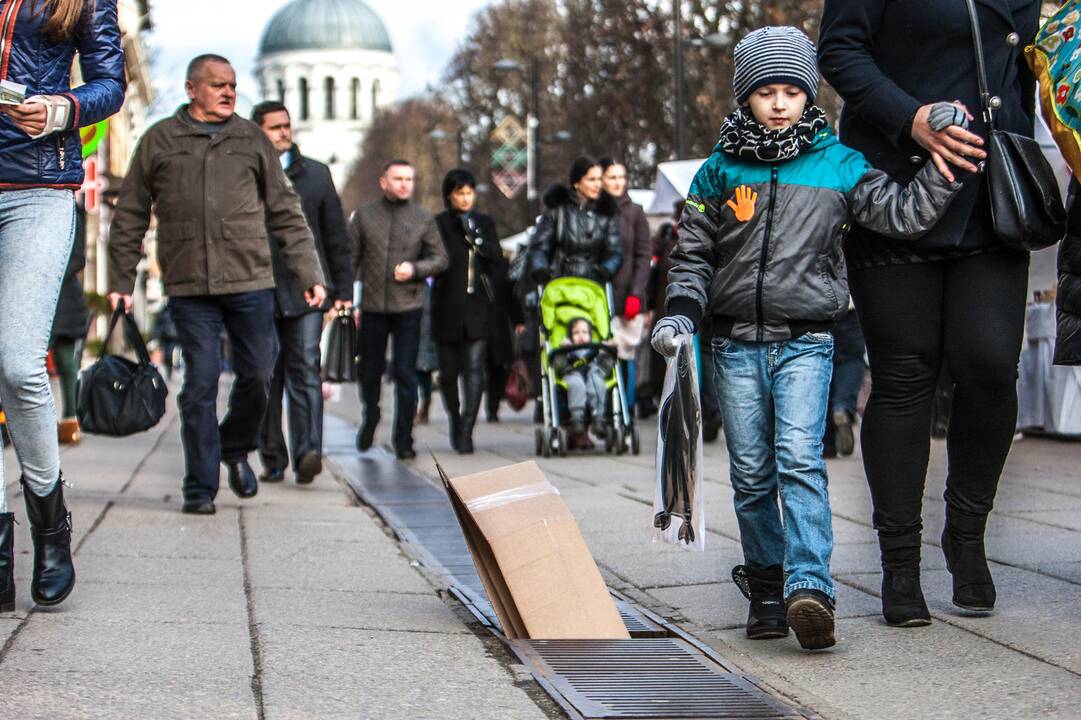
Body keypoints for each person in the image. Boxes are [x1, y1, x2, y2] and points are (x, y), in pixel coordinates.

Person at [652, 26, 963, 650]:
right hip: (733, 344)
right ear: (745, 98)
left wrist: (941, 169)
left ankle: (810, 587)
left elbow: (898, 214)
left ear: (806, 95)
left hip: (807, 342)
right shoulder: (717, 172)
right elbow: (693, 256)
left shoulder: (839, 163)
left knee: (799, 461)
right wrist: (681, 313)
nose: (777, 102)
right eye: (764, 90)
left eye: (790, 89)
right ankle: (767, 586)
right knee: (751, 472)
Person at [820, 0, 1040, 625]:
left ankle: (967, 535)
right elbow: (840, 49)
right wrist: (909, 118)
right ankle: (900, 565)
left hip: (993, 191)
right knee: (905, 375)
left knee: (990, 366)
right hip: (896, 190)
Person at [108, 55, 326, 515]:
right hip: (189, 285)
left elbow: (286, 210)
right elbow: (129, 212)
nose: (228, 92)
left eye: (232, 85)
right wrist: (121, 280)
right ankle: (199, 486)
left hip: (250, 279)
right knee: (201, 383)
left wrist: (308, 272)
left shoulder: (250, 139)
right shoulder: (159, 141)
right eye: (217, 85)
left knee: (260, 375)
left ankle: (233, 446)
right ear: (192, 89)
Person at [0, 0, 126, 610]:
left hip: (36, 184)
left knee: (17, 362)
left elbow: (110, 84)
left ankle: (49, 521)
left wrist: (62, 108)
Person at [251, 101, 352, 486]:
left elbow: (335, 235)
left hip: (307, 289)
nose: (283, 132)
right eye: (274, 126)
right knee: (264, 376)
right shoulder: (247, 172)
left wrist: (342, 288)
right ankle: (273, 457)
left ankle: (309, 451)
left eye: (286, 126)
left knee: (306, 369)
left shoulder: (316, 175)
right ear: (258, 130)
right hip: (258, 288)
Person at [350, 160, 449, 460]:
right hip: (372, 306)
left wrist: (415, 269)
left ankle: (403, 438)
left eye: (409, 179)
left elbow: (440, 258)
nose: (405, 184)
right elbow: (350, 258)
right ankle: (371, 415)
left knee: (406, 373)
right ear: (384, 182)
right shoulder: (364, 216)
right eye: (398, 178)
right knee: (369, 371)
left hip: (409, 305)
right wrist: (342, 296)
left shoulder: (422, 218)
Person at [432, 169, 503, 453]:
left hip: (476, 307)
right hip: (446, 307)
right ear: (449, 195)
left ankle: (467, 428)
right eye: (459, 193)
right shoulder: (438, 224)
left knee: (475, 371)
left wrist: (478, 240)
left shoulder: (483, 223)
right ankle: (455, 417)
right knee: (448, 374)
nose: (465, 198)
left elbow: (496, 257)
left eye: (469, 192)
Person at [600, 158, 651, 409]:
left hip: (628, 297)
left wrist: (636, 293)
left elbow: (644, 257)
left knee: (625, 356)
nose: (618, 182)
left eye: (621, 177)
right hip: (600, 296)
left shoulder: (635, 212)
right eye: (612, 177)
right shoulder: (595, 211)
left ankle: (625, 410)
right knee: (602, 356)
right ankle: (605, 411)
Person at [527, 156, 623, 285]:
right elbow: (539, 247)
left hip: (593, 285)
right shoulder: (557, 211)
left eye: (600, 179)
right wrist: (540, 269)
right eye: (591, 179)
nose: (598, 184)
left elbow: (615, 251)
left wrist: (605, 269)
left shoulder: (606, 214)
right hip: (558, 282)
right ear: (576, 183)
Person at [51, 210, 91, 446]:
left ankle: (70, 420)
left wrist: (44, 276)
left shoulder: (73, 212)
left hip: (64, 299)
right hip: (45, 298)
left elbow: (78, 257)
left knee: (68, 364)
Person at [552, 317, 616, 447]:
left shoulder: (596, 350)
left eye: (584, 332)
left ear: (590, 335)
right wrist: (563, 352)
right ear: (570, 335)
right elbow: (559, 367)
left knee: (597, 382)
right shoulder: (567, 349)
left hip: (593, 374)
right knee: (576, 384)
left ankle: (598, 418)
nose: (581, 336)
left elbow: (605, 368)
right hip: (572, 374)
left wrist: (609, 353)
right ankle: (577, 420)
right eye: (576, 333)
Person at [822, 306, 865, 458]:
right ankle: (843, 406)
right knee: (851, 360)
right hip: (849, 306)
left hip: (817, 304)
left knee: (822, 365)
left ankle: (827, 442)